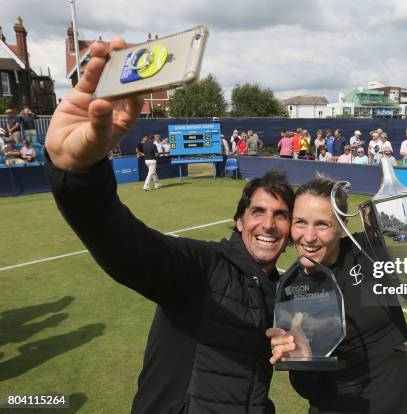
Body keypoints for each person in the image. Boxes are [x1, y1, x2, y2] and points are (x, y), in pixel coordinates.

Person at [43, 37, 296, 413]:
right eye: (258, 212)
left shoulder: (285, 293)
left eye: (280, 215)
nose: (269, 224)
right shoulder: (202, 266)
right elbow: (124, 244)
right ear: (238, 222)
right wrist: (78, 174)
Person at [266, 176, 407, 413]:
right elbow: (309, 391)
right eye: (300, 222)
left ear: (343, 224)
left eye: (322, 224)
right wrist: (303, 362)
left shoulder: (369, 250)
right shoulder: (290, 287)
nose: (309, 237)